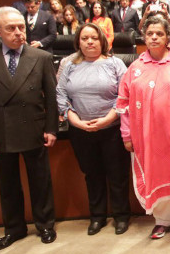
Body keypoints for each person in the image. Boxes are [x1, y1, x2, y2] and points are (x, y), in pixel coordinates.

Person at [0, 7, 59, 250]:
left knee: (40, 181)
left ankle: (45, 225)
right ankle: (14, 229)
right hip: (0, 133)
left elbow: (51, 99)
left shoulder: (40, 57)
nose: (19, 33)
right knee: (8, 185)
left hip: (34, 128)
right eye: (11, 28)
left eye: (22, 27)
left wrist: (52, 129)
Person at [117, 15, 170, 239]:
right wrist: (126, 135)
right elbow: (124, 104)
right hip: (147, 135)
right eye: (150, 34)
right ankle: (162, 220)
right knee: (156, 173)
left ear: (168, 37)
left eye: (159, 34)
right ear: (144, 38)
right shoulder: (134, 69)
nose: (154, 37)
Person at [56, 23, 131, 235]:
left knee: (117, 175)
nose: (89, 42)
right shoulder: (69, 65)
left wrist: (107, 119)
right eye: (85, 38)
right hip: (81, 130)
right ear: (78, 42)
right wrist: (75, 121)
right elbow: (60, 94)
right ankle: (97, 217)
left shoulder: (115, 63)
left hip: (112, 129)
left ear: (102, 41)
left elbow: (125, 95)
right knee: (92, 174)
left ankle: (121, 216)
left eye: (94, 38)